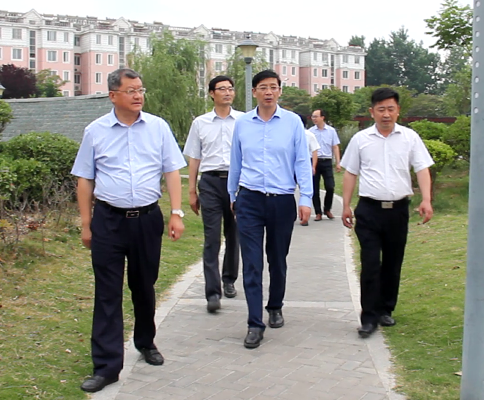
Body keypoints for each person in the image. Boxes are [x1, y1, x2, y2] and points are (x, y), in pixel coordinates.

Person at [71, 68, 186, 393]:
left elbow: (171, 171)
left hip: (147, 220)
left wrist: (176, 213)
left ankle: (146, 341)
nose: (138, 96)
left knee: (144, 285)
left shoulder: (158, 127)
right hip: (108, 220)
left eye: (140, 90)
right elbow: (85, 179)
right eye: (131, 90)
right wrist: (86, 224)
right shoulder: (96, 131)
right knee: (108, 291)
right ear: (113, 96)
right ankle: (106, 366)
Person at [228, 70, 312, 349]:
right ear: (254, 92)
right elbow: (236, 160)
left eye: (273, 87)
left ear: (279, 91)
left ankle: (275, 305)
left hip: (281, 199)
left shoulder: (293, 122)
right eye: (263, 87)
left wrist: (306, 198)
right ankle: (254, 323)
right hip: (249, 199)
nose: (268, 92)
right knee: (252, 263)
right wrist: (232, 194)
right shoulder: (243, 123)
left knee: (277, 258)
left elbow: (302, 161)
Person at [340, 87, 434, 339]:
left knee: (393, 262)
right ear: (372, 112)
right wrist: (346, 204)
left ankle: (385, 309)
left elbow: (422, 168)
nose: (386, 114)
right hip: (369, 210)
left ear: (398, 111)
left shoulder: (410, 138)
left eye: (390, 109)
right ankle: (368, 317)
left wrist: (426, 199)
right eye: (381, 109)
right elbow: (350, 172)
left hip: (398, 211)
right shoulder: (361, 139)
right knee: (371, 263)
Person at [183, 76, 242, 313]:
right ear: (211, 93)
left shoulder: (244, 121)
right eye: (222, 89)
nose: (227, 92)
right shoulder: (200, 123)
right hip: (209, 182)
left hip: (237, 183)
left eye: (230, 89)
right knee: (212, 237)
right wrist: (191, 191)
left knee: (234, 234)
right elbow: (194, 158)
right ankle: (212, 292)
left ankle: (229, 280)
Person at [309, 109, 341, 221]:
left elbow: (335, 146)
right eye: (313, 116)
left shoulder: (331, 131)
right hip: (314, 161)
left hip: (327, 161)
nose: (314, 119)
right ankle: (318, 212)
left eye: (316, 116)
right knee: (315, 188)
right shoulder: (311, 131)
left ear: (322, 117)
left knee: (330, 186)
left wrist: (338, 162)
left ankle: (327, 209)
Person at [297, 113, 320, 226]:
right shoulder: (289, 134)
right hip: (291, 163)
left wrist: (313, 166)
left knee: (305, 190)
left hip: (306, 163)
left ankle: (304, 215)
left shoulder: (309, 135)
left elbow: (314, 151)